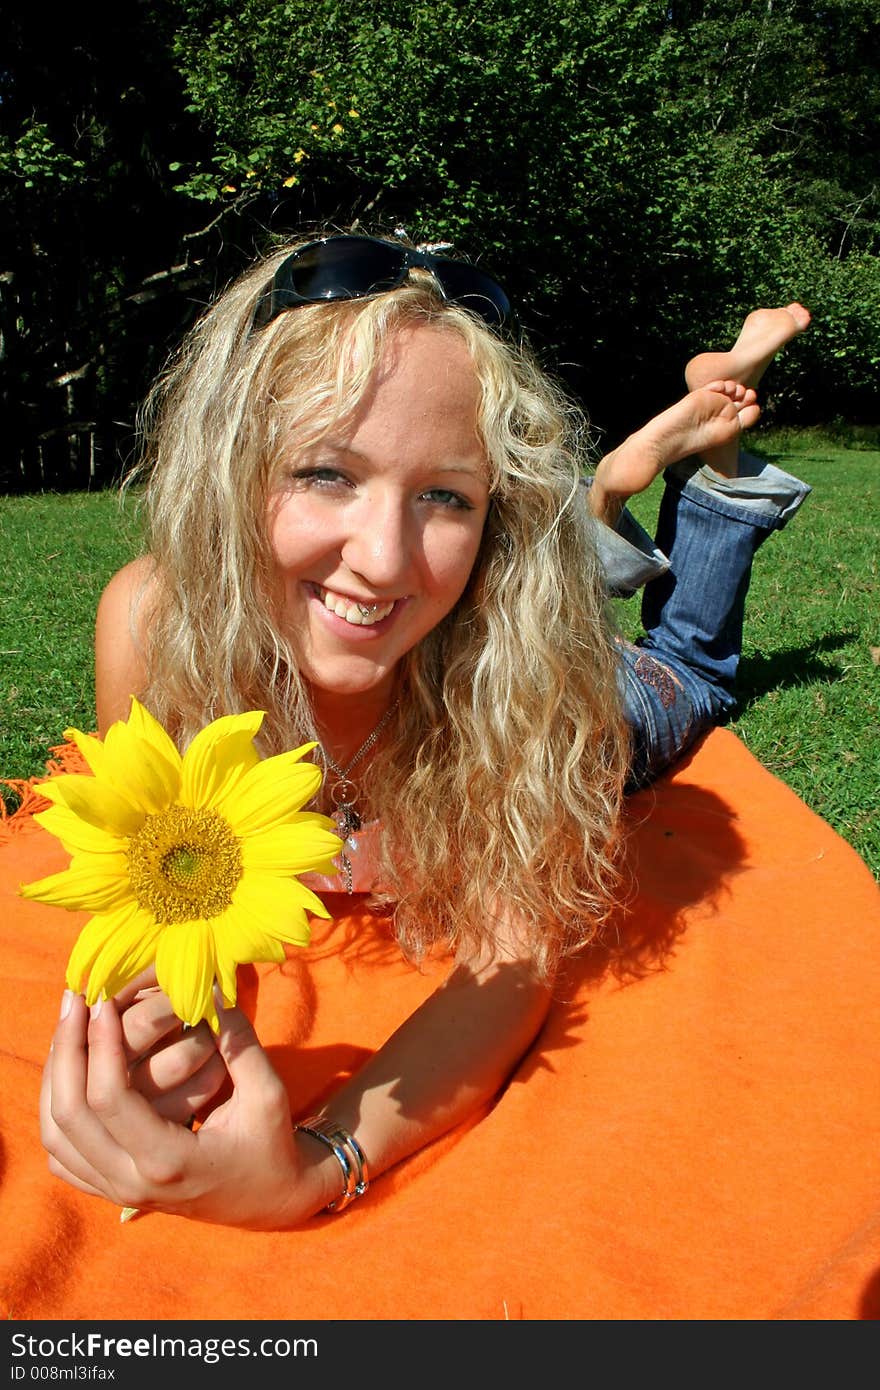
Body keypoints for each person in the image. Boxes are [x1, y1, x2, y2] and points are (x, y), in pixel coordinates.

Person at [37, 233, 811, 1228]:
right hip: (479, 629)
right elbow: (160, 908)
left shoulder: (531, 680)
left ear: (491, 519)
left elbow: (508, 967)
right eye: (324, 472)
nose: (383, 556)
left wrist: (320, 1165)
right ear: (230, 464)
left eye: (444, 495)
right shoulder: (156, 628)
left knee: (691, 671)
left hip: (596, 700)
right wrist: (177, 1028)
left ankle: (713, 468)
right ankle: (612, 500)